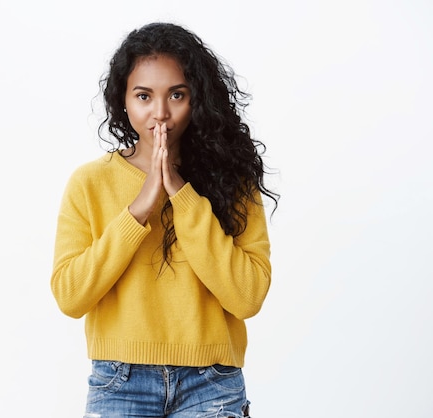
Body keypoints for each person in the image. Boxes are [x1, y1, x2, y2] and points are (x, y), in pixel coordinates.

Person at [50, 21, 278, 418]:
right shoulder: (90, 182)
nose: (160, 113)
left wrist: (180, 193)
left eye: (177, 94)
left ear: (198, 99)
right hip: (119, 380)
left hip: (212, 383)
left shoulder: (233, 180)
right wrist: (138, 209)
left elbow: (247, 297)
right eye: (143, 96)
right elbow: (70, 297)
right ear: (123, 100)